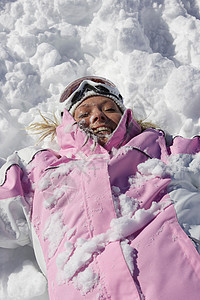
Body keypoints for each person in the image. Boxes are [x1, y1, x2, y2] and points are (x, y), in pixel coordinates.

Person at [0, 76, 200, 300]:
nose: (97, 115)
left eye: (109, 108)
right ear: (68, 123)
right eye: (83, 114)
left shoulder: (164, 146)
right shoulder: (39, 170)